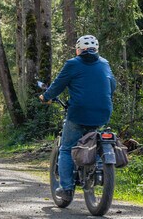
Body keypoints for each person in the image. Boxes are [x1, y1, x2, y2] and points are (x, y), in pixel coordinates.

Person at [39, 35, 116, 202]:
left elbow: (58, 85)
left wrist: (45, 97)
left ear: (78, 49)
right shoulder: (104, 63)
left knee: (66, 148)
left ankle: (66, 189)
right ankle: (97, 167)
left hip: (78, 113)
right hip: (103, 112)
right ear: (96, 49)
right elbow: (113, 86)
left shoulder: (73, 64)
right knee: (94, 140)